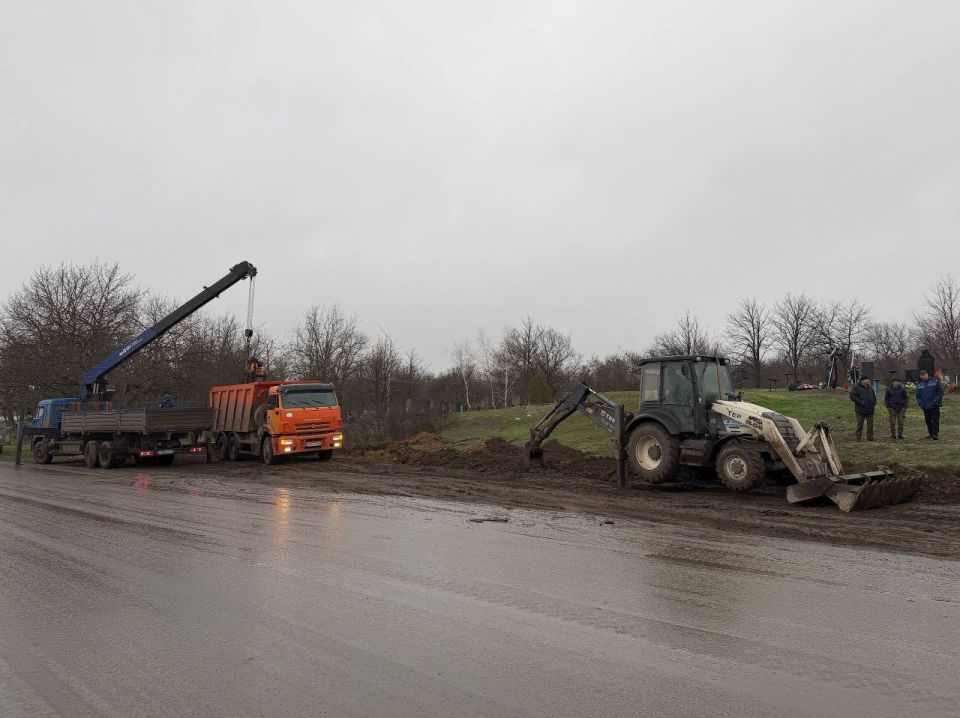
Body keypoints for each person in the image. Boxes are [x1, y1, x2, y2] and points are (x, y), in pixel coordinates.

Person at [915, 369, 944, 440]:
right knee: (928, 420)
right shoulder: (919, 384)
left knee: (935, 419)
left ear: (927, 374)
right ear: (920, 376)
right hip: (925, 405)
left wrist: (935, 400)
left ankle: (935, 434)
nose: (924, 376)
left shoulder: (935, 381)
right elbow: (918, 395)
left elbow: (940, 391)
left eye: (925, 374)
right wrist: (920, 403)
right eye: (922, 375)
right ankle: (931, 434)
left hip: (934, 405)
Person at [849, 375, 877, 441]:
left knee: (870, 425)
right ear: (862, 381)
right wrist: (860, 402)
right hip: (860, 410)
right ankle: (858, 438)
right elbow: (852, 396)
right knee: (860, 424)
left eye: (868, 379)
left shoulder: (870, 388)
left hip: (870, 410)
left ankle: (870, 437)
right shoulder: (856, 387)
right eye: (866, 379)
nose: (868, 380)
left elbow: (874, 398)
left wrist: (873, 404)